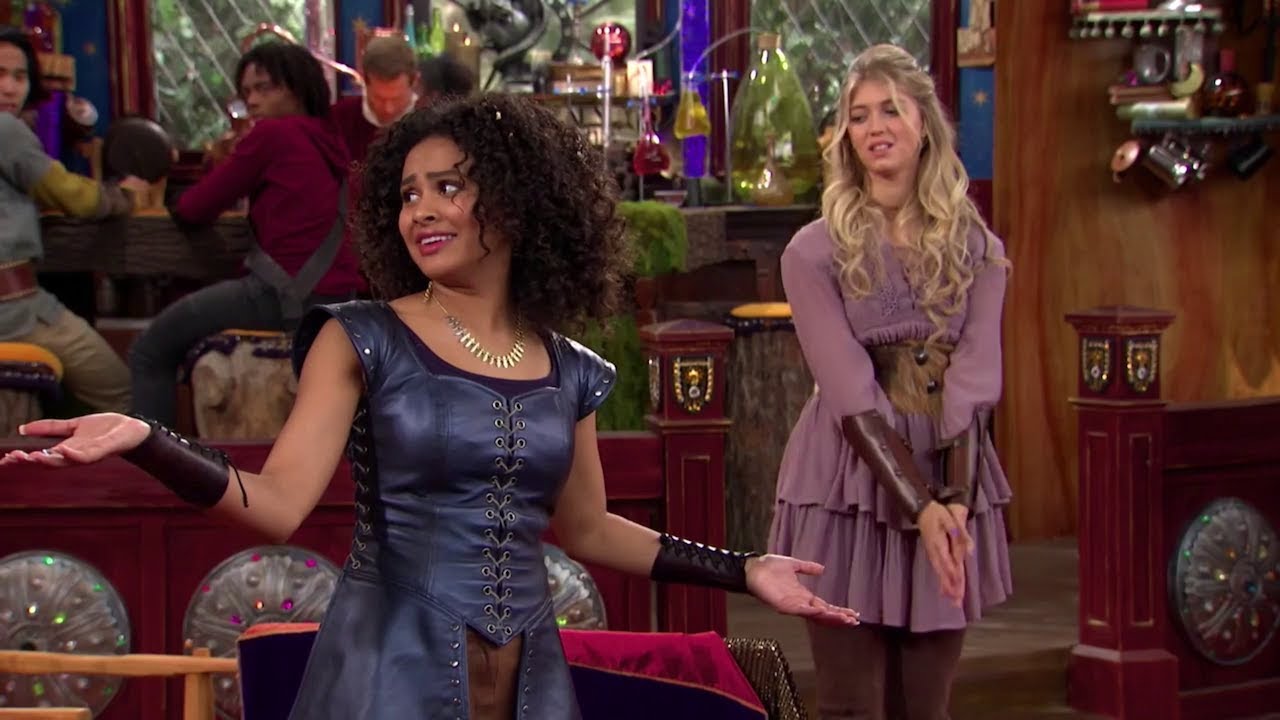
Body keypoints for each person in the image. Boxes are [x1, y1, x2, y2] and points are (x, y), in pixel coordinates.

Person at [3, 92, 859, 720]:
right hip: (385, 670)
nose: (422, 212)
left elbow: (591, 530)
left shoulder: (570, 368)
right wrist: (147, 438)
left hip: (530, 678)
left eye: (448, 187)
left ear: (515, 204)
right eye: (408, 194)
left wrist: (744, 569)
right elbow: (277, 504)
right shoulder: (361, 336)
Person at [767, 44, 1013, 720]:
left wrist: (953, 502)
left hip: (949, 467)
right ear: (845, 135)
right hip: (847, 484)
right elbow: (849, 391)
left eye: (891, 110)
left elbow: (975, 377)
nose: (875, 127)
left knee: (926, 706)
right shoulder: (812, 252)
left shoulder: (978, 248)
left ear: (924, 123)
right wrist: (920, 507)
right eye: (859, 115)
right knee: (850, 705)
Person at [127, 41, 366, 426]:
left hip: (281, 297)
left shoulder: (272, 135)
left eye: (264, 88)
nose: (252, 100)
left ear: (296, 87)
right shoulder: (331, 140)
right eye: (247, 91)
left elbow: (194, 209)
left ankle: (151, 457)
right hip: (338, 302)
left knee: (148, 350)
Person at [0, 27, 146, 413]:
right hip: (15, 312)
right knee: (122, 392)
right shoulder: (5, 129)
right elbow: (70, 195)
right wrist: (124, 196)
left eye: (20, 76)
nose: (10, 88)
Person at [330, 35, 419, 167]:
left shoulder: (434, 124)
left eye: (397, 99)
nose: (389, 109)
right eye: (379, 98)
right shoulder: (337, 120)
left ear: (415, 81)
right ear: (364, 80)